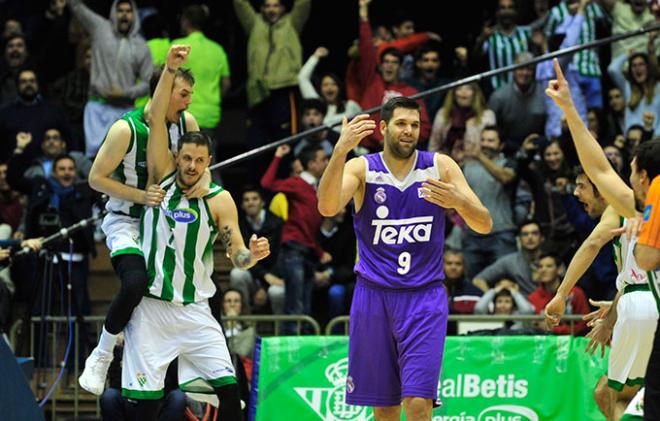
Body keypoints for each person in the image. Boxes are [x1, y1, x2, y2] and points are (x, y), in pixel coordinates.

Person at [317, 96, 492, 420]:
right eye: (401, 124)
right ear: (383, 128)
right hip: (374, 296)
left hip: (424, 298)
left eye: (414, 125)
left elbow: (484, 223)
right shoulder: (362, 168)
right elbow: (326, 208)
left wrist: (459, 202)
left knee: (417, 404)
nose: (409, 131)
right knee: (384, 410)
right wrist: (339, 152)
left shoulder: (439, 166)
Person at [125, 44, 270, 420]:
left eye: (199, 161)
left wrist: (249, 256)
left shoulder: (220, 199)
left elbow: (236, 251)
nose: (191, 165)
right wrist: (171, 70)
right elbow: (156, 117)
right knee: (144, 403)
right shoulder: (161, 178)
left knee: (229, 390)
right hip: (153, 307)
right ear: (177, 157)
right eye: (186, 158)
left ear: (209, 163)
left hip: (196, 311)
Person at [79, 47, 204, 396]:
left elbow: (202, 168)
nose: (188, 102)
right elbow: (95, 178)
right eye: (183, 94)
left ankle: (201, 374)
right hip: (127, 222)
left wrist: (203, 185)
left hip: (164, 225)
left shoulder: (186, 124)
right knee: (134, 284)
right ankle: (102, 355)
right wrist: (140, 195)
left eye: (190, 95)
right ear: (162, 91)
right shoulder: (125, 129)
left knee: (197, 289)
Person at [545, 57, 660, 419]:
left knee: (612, 397)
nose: (625, 177)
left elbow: (598, 169)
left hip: (644, 306)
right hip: (641, 302)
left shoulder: (636, 205)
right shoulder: (634, 206)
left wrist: (568, 109)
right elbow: (598, 169)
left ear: (642, 176)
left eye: (630, 171)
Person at [67, 0, 153, 158]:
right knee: (96, 160)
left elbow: (149, 83)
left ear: (134, 14)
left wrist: (126, 93)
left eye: (128, 11)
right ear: (114, 12)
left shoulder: (142, 46)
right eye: (120, 10)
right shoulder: (100, 29)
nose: (124, 15)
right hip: (98, 108)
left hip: (125, 110)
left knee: (125, 160)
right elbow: (77, 6)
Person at [261, 143, 329, 332]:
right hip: (293, 251)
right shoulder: (297, 183)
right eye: (323, 159)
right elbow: (267, 184)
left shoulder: (316, 188)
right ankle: (292, 354)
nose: (327, 162)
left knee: (305, 307)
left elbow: (310, 226)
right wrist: (277, 156)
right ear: (312, 164)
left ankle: (304, 352)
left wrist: (319, 251)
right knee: (295, 306)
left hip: (307, 252)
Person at [233, 0, 311, 150]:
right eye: (267, 6)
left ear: (282, 8)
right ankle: (258, 174)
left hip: (284, 90)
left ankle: (285, 173)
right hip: (257, 92)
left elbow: (303, 3)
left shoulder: (292, 23)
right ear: (262, 8)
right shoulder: (255, 23)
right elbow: (240, 4)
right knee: (255, 142)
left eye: (275, 6)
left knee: (285, 141)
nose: (271, 10)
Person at [357, 0, 431, 151]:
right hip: (372, 150)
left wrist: (403, 140)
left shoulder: (411, 93)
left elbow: (424, 128)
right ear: (380, 65)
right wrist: (363, 14)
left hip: (403, 149)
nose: (389, 65)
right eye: (386, 62)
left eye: (394, 62)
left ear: (401, 66)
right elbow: (366, 49)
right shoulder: (372, 82)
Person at [461, 126, 518, 280]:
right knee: (472, 282)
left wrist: (479, 156)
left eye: (491, 141)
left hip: (502, 233)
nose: (486, 144)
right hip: (473, 235)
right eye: (483, 140)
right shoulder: (467, 167)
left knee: (505, 282)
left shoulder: (508, 163)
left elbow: (505, 177)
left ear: (501, 145)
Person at [172, 4, 231, 136]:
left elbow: (167, 78)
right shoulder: (217, 50)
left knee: (183, 155)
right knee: (207, 155)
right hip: (210, 115)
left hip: (183, 113)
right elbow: (226, 83)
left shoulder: (178, 47)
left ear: (185, 20)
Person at [232, 186, 285, 314]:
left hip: (275, 276)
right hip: (254, 274)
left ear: (262, 202)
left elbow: (282, 255)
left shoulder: (277, 222)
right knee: (237, 274)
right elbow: (241, 257)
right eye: (246, 200)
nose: (250, 202)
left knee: (277, 292)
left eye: (254, 199)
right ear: (242, 205)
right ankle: (244, 324)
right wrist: (264, 276)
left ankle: (282, 330)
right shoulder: (238, 224)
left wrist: (266, 286)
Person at [487, 52, 547, 155]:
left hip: (537, 147)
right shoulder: (499, 97)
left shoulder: (544, 94)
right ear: (513, 71)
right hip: (506, 149)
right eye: (521, 68)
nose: (525, 73)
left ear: (534, 72)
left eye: (529, 69)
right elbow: (491, 130)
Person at [298, 46, 362, 133]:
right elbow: (302, 78)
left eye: (333, 84)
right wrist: (316, 56)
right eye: (325, 85)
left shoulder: (350, 106)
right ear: (320, 89)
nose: (329, 87)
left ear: (339, 88)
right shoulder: (317, 105)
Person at [472, 220, 545, 296]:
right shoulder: (510, 261)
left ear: (542, 238)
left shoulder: (551, 260)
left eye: (535, 233)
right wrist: (493, 300)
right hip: (523, 305)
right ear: (519, 238)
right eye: (525, 234)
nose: (530, 237)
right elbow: (478, 280)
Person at [472, 0, 531, 91]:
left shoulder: (526, 33)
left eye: (510, 7)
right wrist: (481, 39)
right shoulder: (490, 36)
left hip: (523, 90)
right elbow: (476, 58)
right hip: (497, 89)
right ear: (497, 12)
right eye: (502, 8)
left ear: (515, 11)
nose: (506, 11)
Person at [608, 33, 660, 136]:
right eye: (634, 65)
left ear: (648, 67)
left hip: (653, 140)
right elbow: (612, 69)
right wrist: (626, 55)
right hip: (632, 140)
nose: (637, 68)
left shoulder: (658, 88)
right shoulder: (628, 88)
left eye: (641, 64)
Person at [527, 253, 589, 335]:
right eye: (540, 267)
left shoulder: (575, 293)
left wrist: (555, 329)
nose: (543, 270)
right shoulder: (533, 297)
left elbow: (585, 323)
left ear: (559, 269)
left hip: (573, 341)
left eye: (549, 266)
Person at [428, 83, 495, 154]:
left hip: (478, 161)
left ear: (475, 93)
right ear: (453, 94)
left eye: (468, 88)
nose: (464, 92)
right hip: (448, 160)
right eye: (459, 89)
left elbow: (492, 146)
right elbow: (433, 147)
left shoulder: (487, 115)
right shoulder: (442, 113)